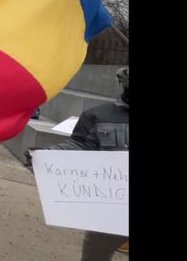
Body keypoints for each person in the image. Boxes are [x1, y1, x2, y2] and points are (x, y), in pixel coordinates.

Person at [25, 67, 130, 261]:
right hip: (110, 213)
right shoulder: (98, 116)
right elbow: (80, 146)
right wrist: (46, 157)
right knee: (95, 256)